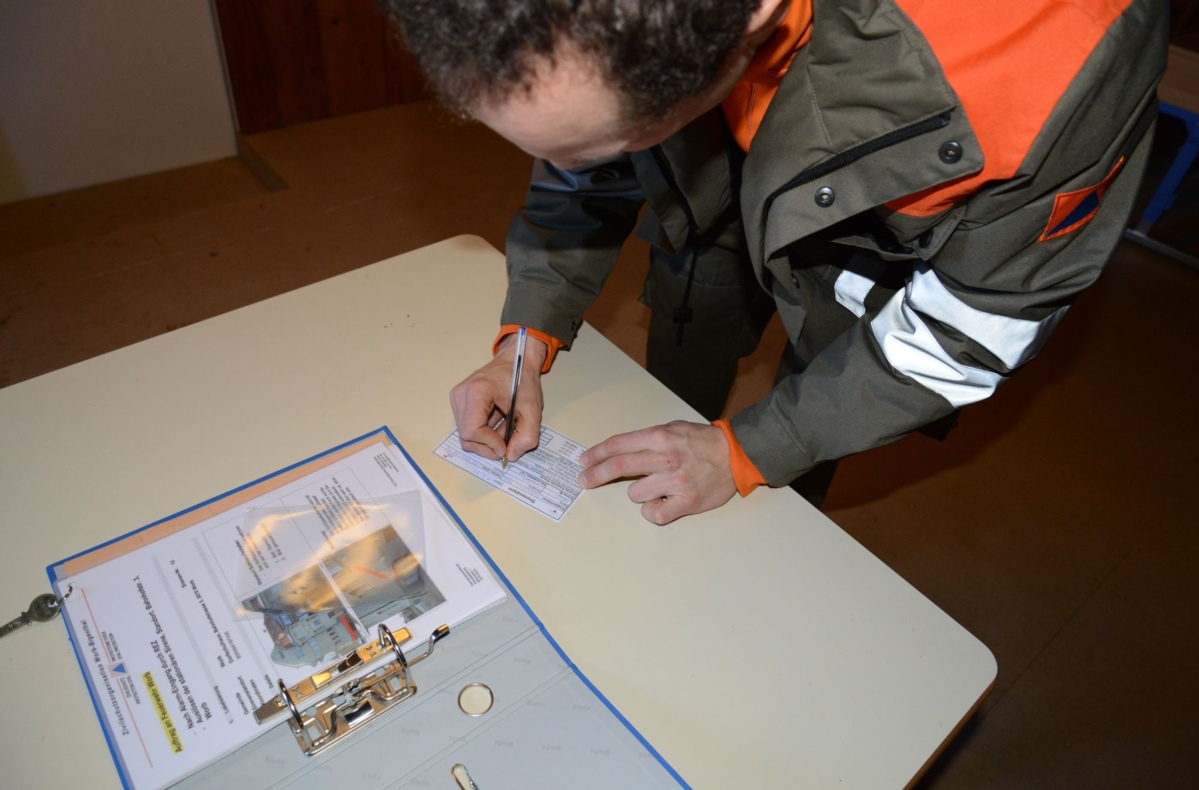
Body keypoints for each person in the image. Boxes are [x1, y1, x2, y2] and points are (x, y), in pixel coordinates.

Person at [386, 0, 1167, 523]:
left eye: (613, 142)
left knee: (806, 422)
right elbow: (578, 168)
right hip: (708, 194)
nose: (580, 164)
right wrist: (526, 338)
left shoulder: (1053, 63)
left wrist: (753, 451)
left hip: (864, 270)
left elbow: (965, 329)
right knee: (687, 337)